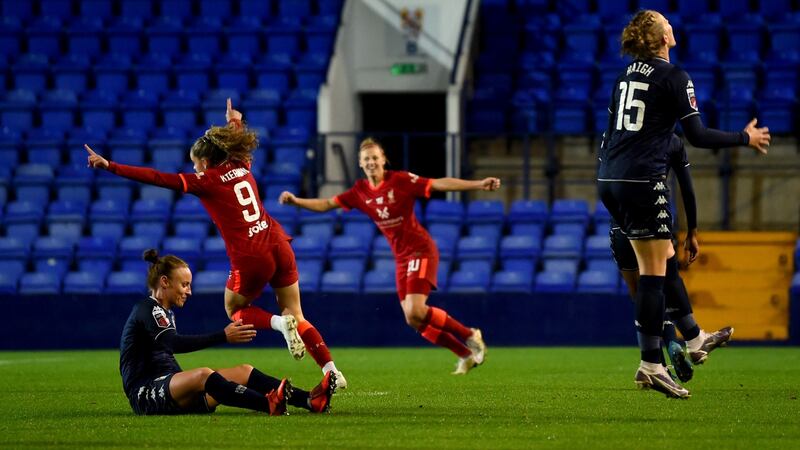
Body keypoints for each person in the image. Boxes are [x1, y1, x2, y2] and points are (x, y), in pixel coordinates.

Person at [88, 99, 346, 389]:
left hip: (251, 254)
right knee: (297, 313)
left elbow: (159, 178)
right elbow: (237, 142)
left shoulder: (206, 180)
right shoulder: (241, 163)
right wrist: (235, 121)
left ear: (205, 162)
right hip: (277, 240)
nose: (194, 168)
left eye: (195, 163)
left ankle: (276, 323)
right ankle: (331, 370)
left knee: (233, 307)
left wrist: (111, 166)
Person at [597, 10, 770, 398]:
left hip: (610, 176)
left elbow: (610, 132)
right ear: (661, 38)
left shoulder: (624, 76)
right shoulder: (675, 77)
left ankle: (690, 341)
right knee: (655, 269)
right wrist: (744, 139)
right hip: (641, 178)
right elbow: (697, 135)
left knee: (660, 261)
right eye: (663, 21)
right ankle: (651, 364)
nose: (670, 22)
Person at [279, 137, 499, 375]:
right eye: (367, 159)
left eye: (375, 157)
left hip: (420, 249)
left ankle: (470, 335)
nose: (372, 162)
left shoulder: (400, 181)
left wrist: (478, 184)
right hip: (402, 258)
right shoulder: (360, 192)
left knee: (416, 310)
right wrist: (296, 201)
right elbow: (327, 204)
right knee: (413, 319)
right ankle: (465, 354)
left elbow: (437, 184)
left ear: (384, 160)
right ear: (360, 164)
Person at [120, 249, 336, 416]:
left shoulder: (164, 312)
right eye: (184, 285)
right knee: (203, 374)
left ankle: (308, 400)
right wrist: (223, 336)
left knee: (243, 370)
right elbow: (173, 344)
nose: (189, 291)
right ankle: (268, 404)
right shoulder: (147, 309)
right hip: (145, 393)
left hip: (171, 390)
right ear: (165, 282)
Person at [609, 135, 699, 383]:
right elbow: (688, 191)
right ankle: (673, 341)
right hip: (657, 220)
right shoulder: (672, 142)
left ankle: (654, 360)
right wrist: (692, 230)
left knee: (638, 292)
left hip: (622, 225)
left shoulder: (618, 136)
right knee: (658, 286)